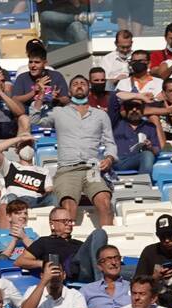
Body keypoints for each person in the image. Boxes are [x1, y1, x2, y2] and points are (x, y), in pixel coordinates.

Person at [40, 74, 116, 227]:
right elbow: (35, 120)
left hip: (92, 169)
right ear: (69, 91)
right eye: (75, 83)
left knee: (105, 202)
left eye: (83, 83)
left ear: (89, 89)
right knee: (68, 206)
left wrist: (109, 158)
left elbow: (110, 143)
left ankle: (106, 245)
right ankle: (69, 247)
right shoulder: (58, 112)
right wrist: (41, 97)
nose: (79, 85)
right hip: (68, 168)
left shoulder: (100, 115)